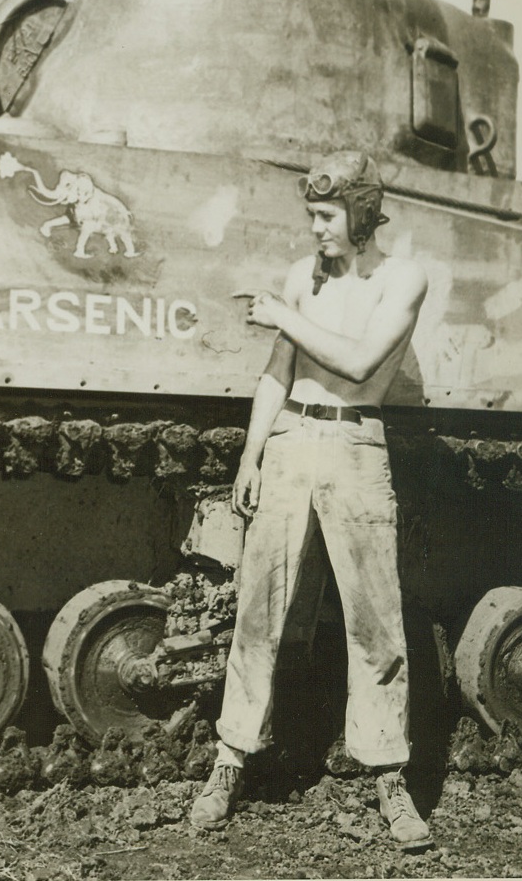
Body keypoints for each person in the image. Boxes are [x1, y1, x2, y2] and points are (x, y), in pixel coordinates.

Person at [190, 150, 432, 849]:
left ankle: (389, 776)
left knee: (375, 622)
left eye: (327, 216)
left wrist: (282, 316)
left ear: (362, 213)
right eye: (312, 216)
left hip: (357, 445)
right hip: (292, 441)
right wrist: (252, 454)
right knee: (258, 611)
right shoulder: (304, 276)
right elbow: (278, 371)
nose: (316, 229)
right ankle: (229, 761)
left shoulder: (403, 279)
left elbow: (358, 362)